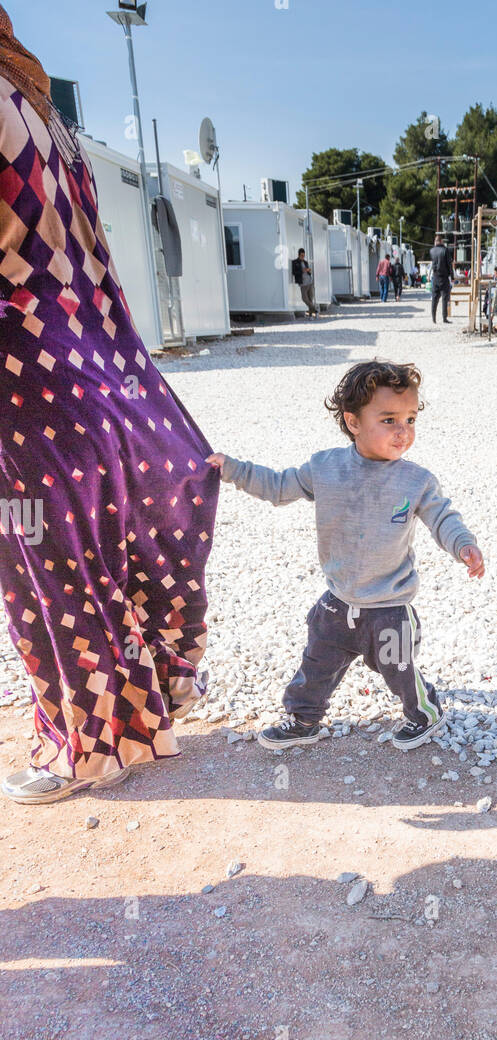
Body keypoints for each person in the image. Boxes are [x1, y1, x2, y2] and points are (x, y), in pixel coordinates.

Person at [0, 5, 218, 805]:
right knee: (100, 552)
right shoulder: (39, 110)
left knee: (46, 574)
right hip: (94, 372)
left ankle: (83, 751)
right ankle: (150, 701)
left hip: (19, 385)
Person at [206, 360, 485, 751]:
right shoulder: (325, 467)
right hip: (337, 602)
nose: (403, 431)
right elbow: (278, 486)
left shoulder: (416, 480)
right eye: (388, 419)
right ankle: (304, 719)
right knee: (316, 663)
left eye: (409, 418)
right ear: (353, 422)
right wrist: (232, 469)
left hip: (389, 606)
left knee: (398, 668)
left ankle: (425, 711)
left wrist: (463, 544)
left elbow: (442, 516)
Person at [429, 234, 452, 324]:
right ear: (441, 241)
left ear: (435, 241)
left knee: (434, 298)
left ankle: (433, 318)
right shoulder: (445, 250)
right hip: (444, 277)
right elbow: (449, 264)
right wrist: (452, 275)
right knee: (444, 298)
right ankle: (444, 318)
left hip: (435, 277)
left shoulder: (431, 251)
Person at [291, 247, 316, 317]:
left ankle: (311, 315)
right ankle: (314, 309)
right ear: (298, 255)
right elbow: (294, 272)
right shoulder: (295, 262)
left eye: (304, 255)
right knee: (304, 299)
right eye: (302, 255)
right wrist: (302, 271)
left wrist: (309, 271)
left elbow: (308, 272)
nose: (303, 257)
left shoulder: (305, 262)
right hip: (303, 283)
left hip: (310, 282)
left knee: (310, 298)